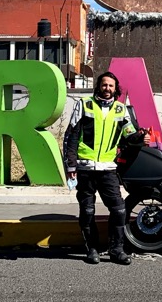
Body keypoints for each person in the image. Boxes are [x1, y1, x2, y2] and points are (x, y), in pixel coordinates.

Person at [63, 71, 148, 265]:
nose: (107, 88)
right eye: (104, 85)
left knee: (119, 210)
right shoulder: (84, 105)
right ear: (98, 86)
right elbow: (72, 137)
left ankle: (116, 250)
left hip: (108, 169)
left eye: (111, 86)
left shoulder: (120, 109)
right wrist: (71, 165)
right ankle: (91, 249)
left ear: (115, 88)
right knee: (87, 210)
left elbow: (129, 134)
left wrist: (141, 137)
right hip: (85, 168)